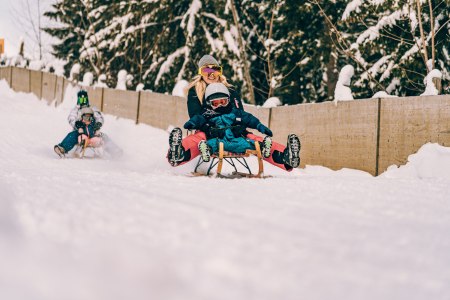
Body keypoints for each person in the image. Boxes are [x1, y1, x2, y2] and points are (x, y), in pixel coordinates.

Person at [168, 55, 301, 171]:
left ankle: (286, 157)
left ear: (219, 71)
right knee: (199, 138)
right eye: (206, 69)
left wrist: (238, 128)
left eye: (214, 69)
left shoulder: (230, 91)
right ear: (201, 73)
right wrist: (211, 129)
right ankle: (178, 153)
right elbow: (195, 116)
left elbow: (240, 114)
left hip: (233, 128)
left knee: (255, 140)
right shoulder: (195, 91)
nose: (211, 73)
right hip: (208, 128)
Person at [183, 83, 273, 162]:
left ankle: (263, 148)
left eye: (223, 102)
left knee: (248, 143)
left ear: (228, 100)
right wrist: (192, 123)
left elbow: (248, 118)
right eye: (215, 103)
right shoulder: (208, 114)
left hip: (235, 139)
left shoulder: (234, 112)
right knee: (213, 143)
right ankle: (206, 150)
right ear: (209, 103)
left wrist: (259, 125)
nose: (220, 105)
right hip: (219, 139)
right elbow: (199, 118)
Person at [54, 90, 122, 158]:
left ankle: (116, 151)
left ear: (87, 99)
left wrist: (98, 123)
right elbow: (71, 118)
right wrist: (76, 124)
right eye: (81, 99)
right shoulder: (76, 110)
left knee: (104, 137)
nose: (83, 101)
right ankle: (62, 148)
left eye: (84, 99)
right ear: (78, 100)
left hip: (92, 130)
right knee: (72, 136)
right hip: (80, 131)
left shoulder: (92, 108)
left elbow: (99, 117)